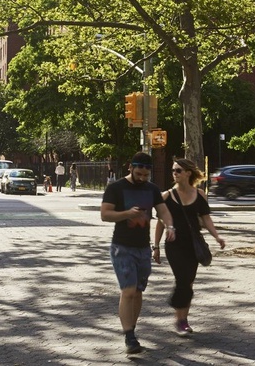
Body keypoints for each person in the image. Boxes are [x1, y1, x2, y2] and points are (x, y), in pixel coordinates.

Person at [101, 151, 176, 357]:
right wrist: (126, 213)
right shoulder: (116, 188)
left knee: (139, 291)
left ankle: (131, 331)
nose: (142, 178)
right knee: (129, 291)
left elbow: (163, 211)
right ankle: (129, 337)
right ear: (130, 168)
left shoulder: (152, 189)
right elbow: (105, 214)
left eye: (146, 175)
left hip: (143, 248)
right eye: (139, 174)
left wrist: (170, 226)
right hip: (122, 247)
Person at [153, 157, 225, 335]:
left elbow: (206, 218)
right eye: (173, 171)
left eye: (178, 170)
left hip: (192, 244)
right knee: (182, 279)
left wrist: (217, 237)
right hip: (174, 245)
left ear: (188, 173)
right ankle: (180, 320)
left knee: (189, 282)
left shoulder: (200, 194)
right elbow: (160, 223)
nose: (174, 174)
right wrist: (155, 246)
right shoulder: (166, 196)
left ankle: (183, 318)